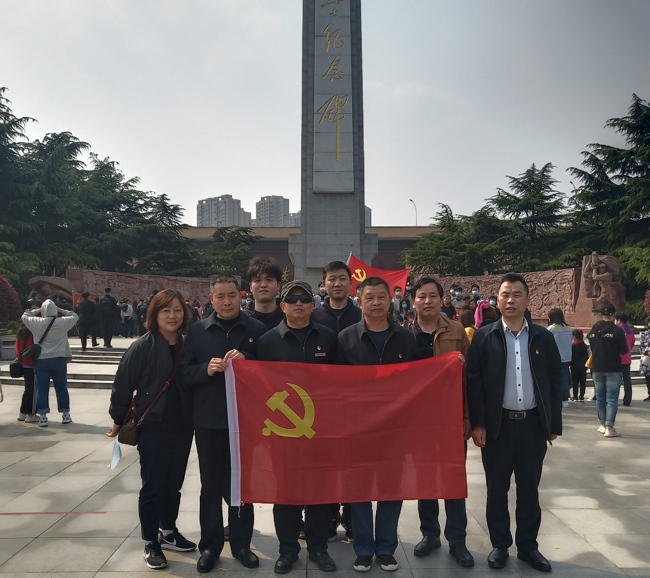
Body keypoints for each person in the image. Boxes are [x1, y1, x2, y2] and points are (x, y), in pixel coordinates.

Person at [466, 273, 561, 573]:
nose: (510, 300)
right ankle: (500, 545)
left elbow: (555, 381)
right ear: (497, 300)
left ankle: (528, 546)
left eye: (517, 294)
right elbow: (474, 383)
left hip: (532, 426)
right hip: (498, 426)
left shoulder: (542, 337)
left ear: (528, 299)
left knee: (529, 489)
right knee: (497, 489)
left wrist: (553, 423)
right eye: (505, 294)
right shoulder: (484, 336)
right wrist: (479, 423)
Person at [180, 275, 266, 573]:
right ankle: (210, 546)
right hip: (209, 420)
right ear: (211, 299)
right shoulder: (197, 331)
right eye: (221, 296)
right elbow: (184, 372)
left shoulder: (255, 329)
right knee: (210, 486)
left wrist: (248, 360)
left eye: (232, 295)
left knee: (241, 486)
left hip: (245, 422)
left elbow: (270, 372)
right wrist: (206, 369)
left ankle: (241, 544)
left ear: (241, 296)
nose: (227, 302)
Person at [107, 289, 195, 570]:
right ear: (154, 314)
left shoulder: (188, 344)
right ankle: (150, 541)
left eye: (177, 310)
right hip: (153, 425)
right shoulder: (142, 347)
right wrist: (117, 419)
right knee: (153, 486)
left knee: (174, 483)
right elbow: (123, 385)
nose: (172, 316)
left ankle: (168, 531)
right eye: (165, 310)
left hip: (183, 425)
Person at [335, 277, 419, 573]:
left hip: (394, 430)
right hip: (358, 429)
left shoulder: (405, 338)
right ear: (359, 301)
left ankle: (385, 549)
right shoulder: (345, 338)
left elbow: (418, 379)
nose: (376, 302)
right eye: (369, 297)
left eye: (382, 296)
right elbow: (335, 385)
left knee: (390, 490)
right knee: (359, 491)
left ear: (390, 299)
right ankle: (363, 549)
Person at [258, 280, 338, 574]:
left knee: (319, 492)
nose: (299, 303)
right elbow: (257, 386)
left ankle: (318, 548)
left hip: (321, 430)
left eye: (304, 298)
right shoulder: (267, 341)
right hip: (284, 432)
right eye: (292, 299)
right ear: (282, 306)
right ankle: (288, 549)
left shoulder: (328, 337)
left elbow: (342, 381)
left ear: (313, 304)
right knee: (286, 493)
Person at [408, 277, 473, 568]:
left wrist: (467, 416)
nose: (427, 301)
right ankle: (430, 534)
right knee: (425, 479)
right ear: (413, 301)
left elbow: (469, 378)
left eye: (433, 296)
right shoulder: (404, 334)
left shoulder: (456, 331)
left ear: (441, 299)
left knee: (452, 478)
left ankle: (457, 540)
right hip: (417, 421)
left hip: (450, 418)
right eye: (422, 296)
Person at [311, 260, 361, 542]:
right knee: (326, 465)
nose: (337, 283)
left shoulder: (362, 314)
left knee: (354, 463)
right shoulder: (313, 316)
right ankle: (328, 517)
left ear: (351, 283)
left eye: (342, 278)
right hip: (321, 405)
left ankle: (352, 517)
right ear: (324, 284)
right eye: (332, 279)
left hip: (356, 404)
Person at [21, 299, 79, 427]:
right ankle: (65, 415)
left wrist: (38, 310)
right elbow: (74, 316)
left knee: (42, 389)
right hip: (59, 359)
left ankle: (42, 417)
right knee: (62, 388)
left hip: (41, 360)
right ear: (55, 310)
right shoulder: (62, 322)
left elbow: (25, 315)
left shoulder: (37, 322)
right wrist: (60, 310)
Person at [587, 303, 628, 437]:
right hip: (613, 367)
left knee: (600, 397)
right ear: (614, 315)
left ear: (601, 315)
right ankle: (610, 427)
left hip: (597, 366)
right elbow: (624, 350)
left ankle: (602, 425)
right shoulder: (618, 331)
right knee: (612, 398)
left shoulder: (595, 328)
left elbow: (591, 343)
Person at [246, 257, 285, 330]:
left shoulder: (288, 318)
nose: (263, 285)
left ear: (278, 285)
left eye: (269, 280)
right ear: (251, 287)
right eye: (258, 280)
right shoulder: (242, 319)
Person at [547, 308, 573, 407]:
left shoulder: (551, 329)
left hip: (555, 357)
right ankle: (565, 399)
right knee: (565, 378)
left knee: (554, 379)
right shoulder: (568, 328)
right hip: (566, 357)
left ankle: (556, 397)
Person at [15, 322, 39, 423]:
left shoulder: (20, 333)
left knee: (28, 389)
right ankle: (31, 414)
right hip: (32, 364)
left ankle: (23, 412)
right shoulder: (34, 333)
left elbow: (17, 349)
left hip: (23, 364)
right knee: (32, 390)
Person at [615, 312, 635, 406]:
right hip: (627, 358)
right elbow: (632, 344)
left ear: (619, 320)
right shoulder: (630, 331)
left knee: (615, 380)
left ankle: (614, 398)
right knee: (627, 379)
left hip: (617, 358)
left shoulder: (617, 330)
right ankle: (627, 399)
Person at [570, 330, 589, 402]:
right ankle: (582, 395)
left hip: (575, 366)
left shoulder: (573, 346)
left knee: (575, 381)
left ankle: (575, 395)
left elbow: (572, 356)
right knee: (582, 381)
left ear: (574, 337)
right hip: (583, 366)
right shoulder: (584, 346)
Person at [639, 316, 650, 402]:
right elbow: (641, 346)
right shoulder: (644, 334)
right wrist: (647, 352)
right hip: (647, 358)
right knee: (648, 377)